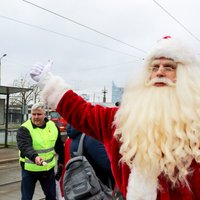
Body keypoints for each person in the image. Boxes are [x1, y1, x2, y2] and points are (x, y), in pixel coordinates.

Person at [30, 36, 200, 199]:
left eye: (169, 67)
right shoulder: (124, 120)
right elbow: (83, 112)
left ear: (184, 75)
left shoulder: (196, 122)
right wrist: (49, 83)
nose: (160, 72)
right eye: (155, 67)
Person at [17, 102, 64, 200]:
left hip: (47, 170)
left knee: (51, 196)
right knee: (26, 198)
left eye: (39, 114)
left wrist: (61, 162)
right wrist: (35, 157)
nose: (36, 117)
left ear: (44, 114)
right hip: (29, 170)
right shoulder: (24, 128)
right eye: (33, 114)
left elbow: (59, 146)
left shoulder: (53, 126)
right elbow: (25, 146)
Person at [66, 124, 115, 189]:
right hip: (100, 187)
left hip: (87, 187)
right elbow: (108, 165)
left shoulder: (76, 136)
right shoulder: (90, 138)